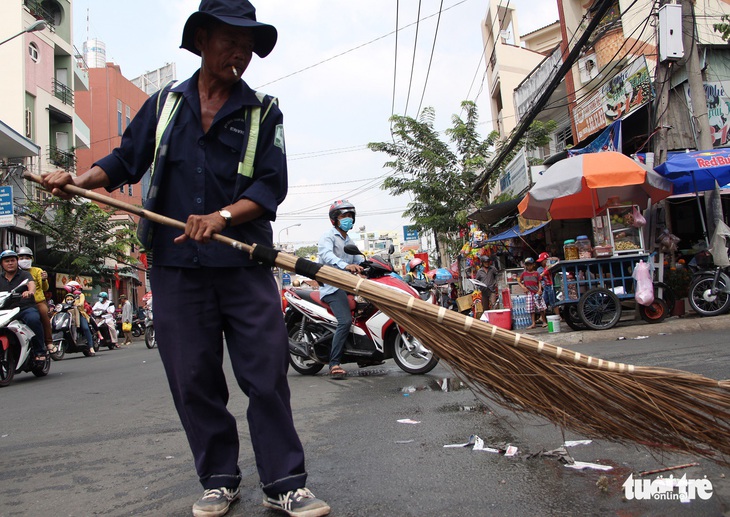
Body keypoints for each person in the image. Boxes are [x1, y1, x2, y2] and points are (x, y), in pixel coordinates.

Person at [41, 2, 330, 516]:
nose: (239, 52)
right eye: (229, 39)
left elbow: (270, 186)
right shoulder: (163, 105)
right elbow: (125, 160)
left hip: (243, 264)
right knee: (192, 378)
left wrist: (221, 215)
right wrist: (79, 181)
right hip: (176, 270)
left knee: (265, 374)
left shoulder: (264, 110)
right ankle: (219, 478)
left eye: (248, 44)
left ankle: (285, 481)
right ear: (201, 40)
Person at [317, 200, 364, 379]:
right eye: (344, 216)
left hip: (349, 286)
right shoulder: (328, 237)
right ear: (334, 220)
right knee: (345, 321)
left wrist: (371, 264)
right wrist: (345, 265)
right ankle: (334, 363)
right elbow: (327, 255)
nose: (348, 219)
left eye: (350, 216)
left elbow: (358, 259)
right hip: (332, 287)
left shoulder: (348, 240)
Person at [0, 250, 47, 362]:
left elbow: (31, 285)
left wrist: (30, 292)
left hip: (24, 308)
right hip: (6, 311)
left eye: (12, 260)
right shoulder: (0, 277)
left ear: (17, 262)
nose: (10, 263)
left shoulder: (25, 274)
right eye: (7, 261)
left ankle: (40, 350)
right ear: (2, 264)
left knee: (33, 319)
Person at [17, 247, 54, 353]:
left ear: (31, 259)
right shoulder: (14, 272)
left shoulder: (37, 271)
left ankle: (49, 342)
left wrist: (43, 280)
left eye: (27, 258)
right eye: (21, 257)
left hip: (37, 302)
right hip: (18, 304)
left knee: (43, 314)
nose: (24, 260)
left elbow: (45, 288)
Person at [65, 281, 96, 356]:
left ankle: (91, 346)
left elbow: (81, 302)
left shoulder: (80, 295)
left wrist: (78, 304)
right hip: (70, 314)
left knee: (85, 328)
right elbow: (64, 302)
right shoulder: (68, 295)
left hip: (80, 313)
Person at [518, 257, 548, 329]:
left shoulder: (536, 273)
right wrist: (523, 287)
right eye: (527, 265)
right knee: (531, 309)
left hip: (536, 292)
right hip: (529, 293)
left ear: (533, 265)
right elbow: (519, 281)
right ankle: (533, 323)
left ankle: (544, 321)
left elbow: (539, 282)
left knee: (541, 308)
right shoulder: (524, 274)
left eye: (530, 265)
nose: (529, 267)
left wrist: (540, 290)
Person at [537, 252, 559, 316]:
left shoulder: (549, 267)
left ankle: (558, 316)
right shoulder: (541, 268)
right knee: (543, 302)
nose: (541, 263)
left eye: (542, 261)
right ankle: (542, 317)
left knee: (553, 302)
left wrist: (550, 259)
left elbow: (557, 259)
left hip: (551, 286)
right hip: (546, 286)